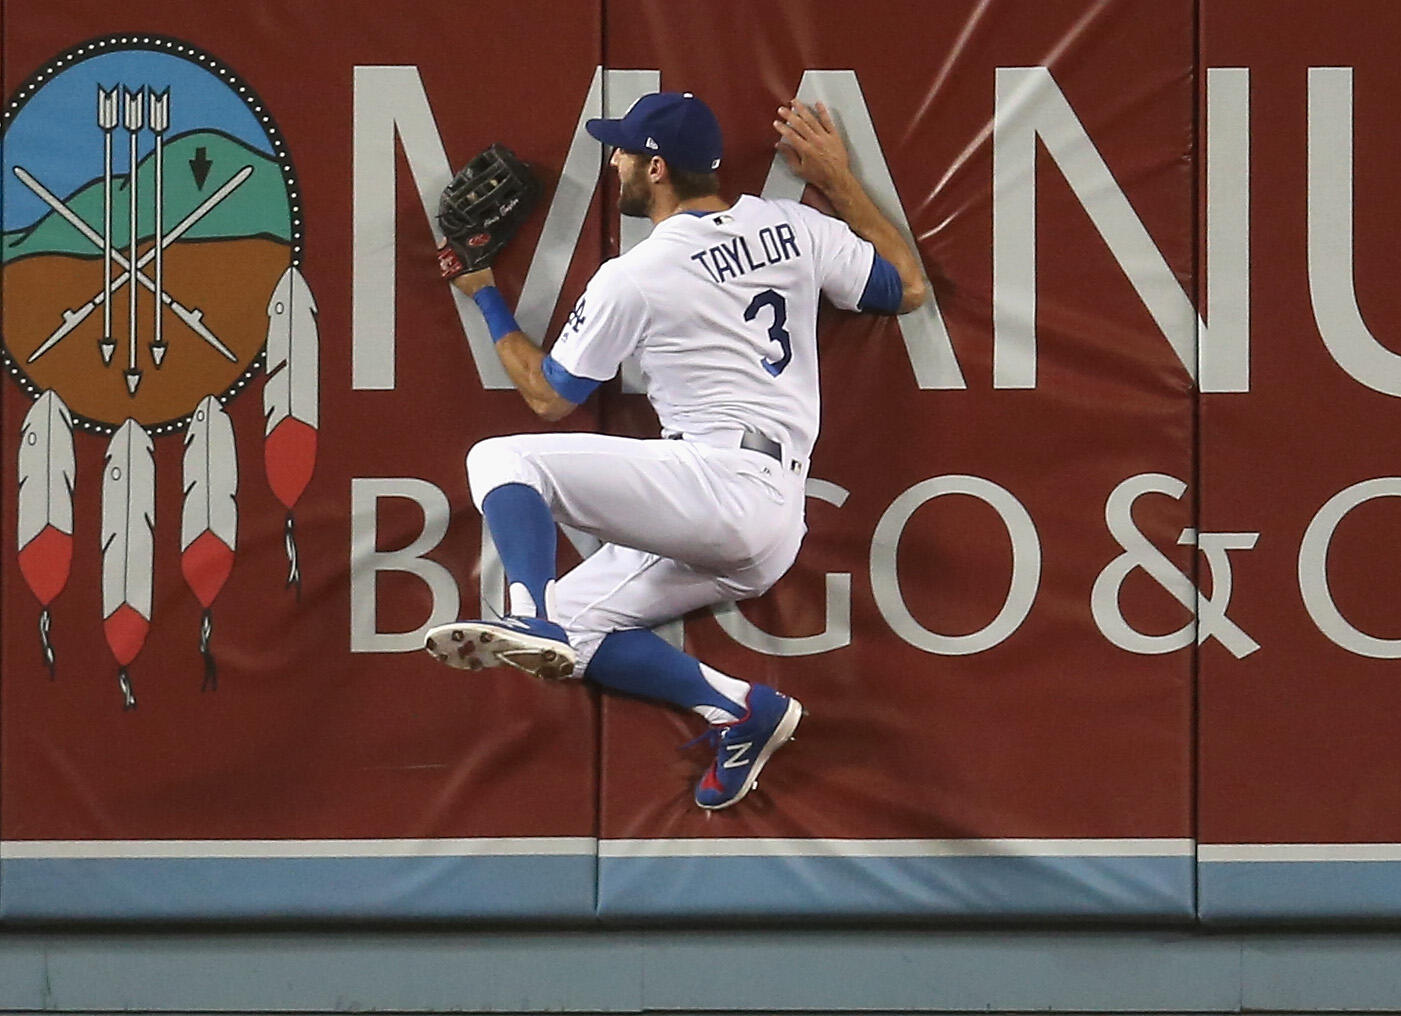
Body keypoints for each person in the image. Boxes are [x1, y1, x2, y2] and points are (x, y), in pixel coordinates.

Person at [425, 91, 926, 810]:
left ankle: (526, 612)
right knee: (580, 627)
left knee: (501, 462)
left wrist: (484, 294)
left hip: (718, 481)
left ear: (656, 168)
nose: (616, 161)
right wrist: (840, 181)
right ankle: (741, 710)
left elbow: (548, 397)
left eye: (623, 151)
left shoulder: (639, 274)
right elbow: (906, 287)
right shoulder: (793, 226)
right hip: (770, 520)